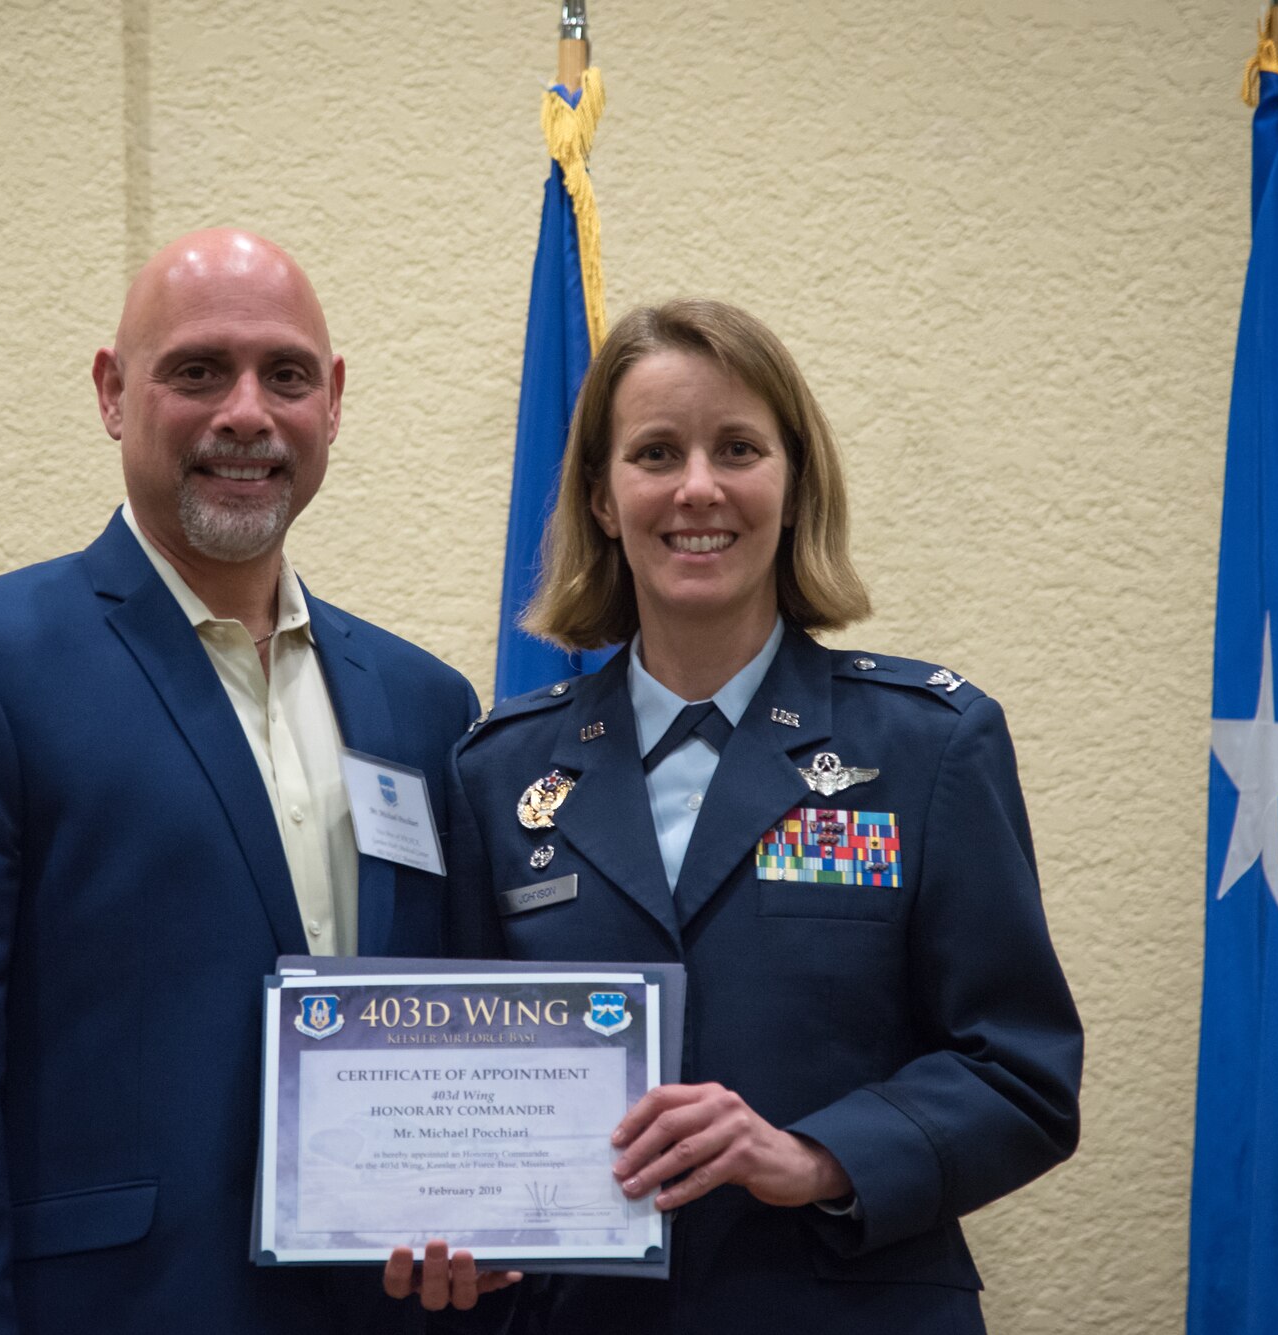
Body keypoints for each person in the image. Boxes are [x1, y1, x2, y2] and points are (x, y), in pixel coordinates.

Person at [0, 229, 481, 1333]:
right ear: (114, 393)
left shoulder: (424, 701)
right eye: (198, 371)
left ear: (335, 401)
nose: (247, 413)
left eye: (286, 376)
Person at [392, 298, 1082, 1331]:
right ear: (599, 497)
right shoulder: (500, 772)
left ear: (793, 482)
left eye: (738, 449)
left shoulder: (929, 746)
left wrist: (812, 1156)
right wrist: (442, 1230)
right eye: (655, 453)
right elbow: (461, 1094)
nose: (697, 488)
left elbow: (1021, 1074)